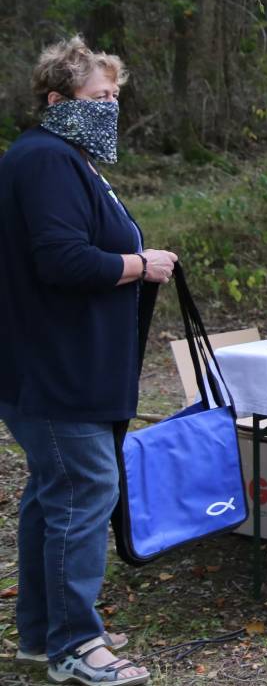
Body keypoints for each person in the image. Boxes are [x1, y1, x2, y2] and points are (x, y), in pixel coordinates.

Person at [0, 37, 179, 685]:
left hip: (62, 364)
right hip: (54, 369)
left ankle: (44, 634)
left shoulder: (61, 159)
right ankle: (76, 644)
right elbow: (62, 260)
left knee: (54, 498)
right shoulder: (47, 161)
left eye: (115, 98)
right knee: (85, 490)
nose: (111, 109)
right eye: (99, 98)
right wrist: (141, 265)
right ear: (56, 101)